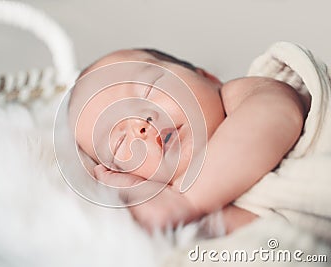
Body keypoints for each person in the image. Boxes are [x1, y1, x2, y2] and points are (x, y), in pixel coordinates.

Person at [68, 43, 310, 234]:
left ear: (207, 77)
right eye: (120, 143)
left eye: (150, 89)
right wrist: (138, 194)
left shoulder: (244, 94)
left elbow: (274, 114)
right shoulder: (200, 212)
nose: (140, 127)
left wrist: (189, 202)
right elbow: (286, 237)